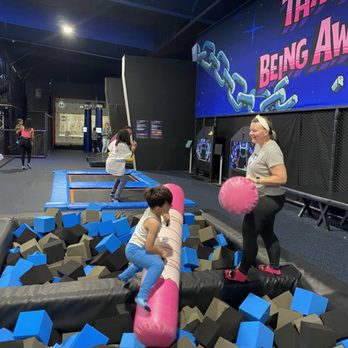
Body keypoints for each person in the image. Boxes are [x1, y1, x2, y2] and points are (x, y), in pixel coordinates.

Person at [224, 115, 287, 282]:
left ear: (265, 131)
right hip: (264, 196)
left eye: (254, 130)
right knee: (267, 231)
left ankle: (242, 273)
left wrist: (256, 181)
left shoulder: (272, 149)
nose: (250, 133)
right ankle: (274, 268)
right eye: (250, 129)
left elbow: (281, 178)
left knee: (249, 231)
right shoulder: (260, 145)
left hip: (269, 198)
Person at [118, 185, 172, 311]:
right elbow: (149, 247)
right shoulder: (154, 223)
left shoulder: (151, 208)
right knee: (157, 265)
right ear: (159, 207)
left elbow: (162, 210)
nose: (171, 207)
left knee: (139, 264)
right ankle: (142, 296)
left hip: (133, 247)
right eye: (169, 204)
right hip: (135, 250)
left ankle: (123, 277)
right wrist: (162, 252)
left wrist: (166, 216)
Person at [105, 128, 136, 202]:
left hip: (110, 162)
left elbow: (110, 148)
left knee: (119, 176)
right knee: (124, 180)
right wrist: (134, 149)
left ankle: (113, 192)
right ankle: (116, 197)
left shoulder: (115, 142)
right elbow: (130, 158)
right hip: (116, 165)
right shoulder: (123, 146)